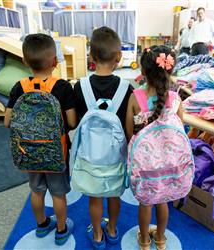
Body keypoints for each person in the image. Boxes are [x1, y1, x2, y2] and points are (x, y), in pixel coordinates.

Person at [4, 34, 77, 245]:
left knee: (36, 191)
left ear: (25, 61)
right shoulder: (62, 87)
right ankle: (62, 230)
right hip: (56, 152)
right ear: (55, 61)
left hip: (28, 153)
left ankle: (42, 225)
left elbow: (7, 121)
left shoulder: (19, 87)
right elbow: (71, 122)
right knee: (58, 193)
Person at [74, 26, 133, 250]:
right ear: (119, 57)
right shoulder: (127, 89)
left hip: (89, 155)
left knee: (95, 197)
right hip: (116, 155)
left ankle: (97, 235)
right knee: (114, 194)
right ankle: (112, 229)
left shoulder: (80, 86)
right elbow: (130, 127)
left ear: (91, 57)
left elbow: (74, 122)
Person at [125, 45, 183, 250]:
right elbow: (181, 130)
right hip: (169, 164)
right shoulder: (176, 98)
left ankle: (144, 241)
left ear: (143, 72)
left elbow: (129, 132)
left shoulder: (135, 97)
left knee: (146, 202)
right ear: (170, 70)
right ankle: (160, 238)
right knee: (163, 201)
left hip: (145, 165)